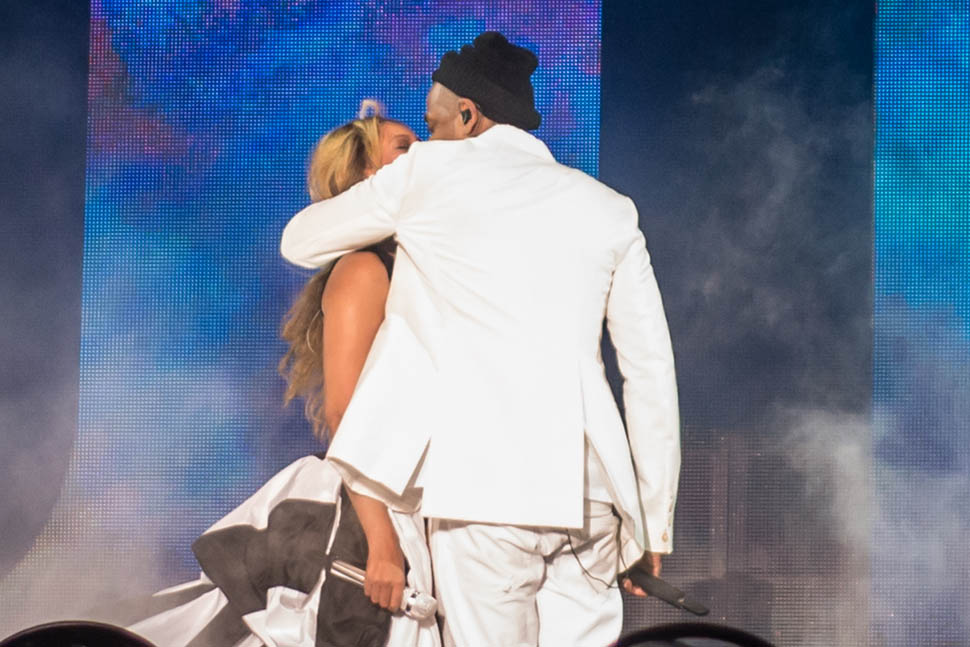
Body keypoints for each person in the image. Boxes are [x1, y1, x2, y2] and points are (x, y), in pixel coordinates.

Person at [280, 32, 681, 647]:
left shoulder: (425, 177)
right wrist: (652, 524)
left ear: (467, 115)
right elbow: (649, 371)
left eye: (432, 124)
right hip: (591, 501)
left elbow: (301, 240)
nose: (427, 141)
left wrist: (395, 191)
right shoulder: (609, 208)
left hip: (483, 497)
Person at [122, 104, 439, 647]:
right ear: (367, 176)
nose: (423, 154)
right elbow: (344, 410)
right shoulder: (364, 269)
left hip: (412, 501)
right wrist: (381, 539)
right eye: (404, 147)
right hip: (371, 510)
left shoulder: (410, 267)